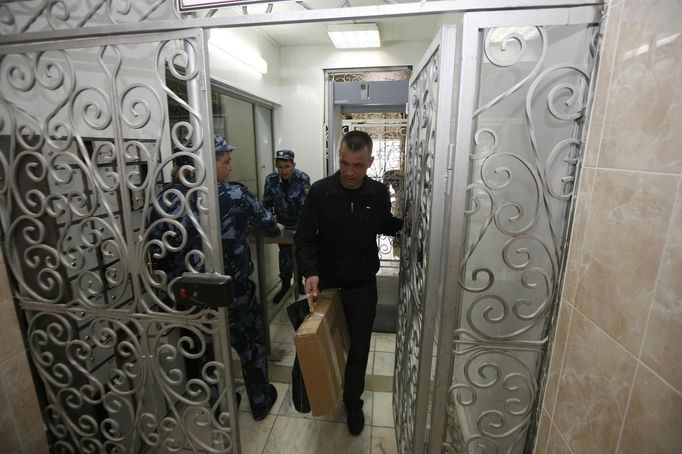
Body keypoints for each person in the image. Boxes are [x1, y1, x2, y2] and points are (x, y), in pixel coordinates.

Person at [149, 134, 282, 422]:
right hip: (234, 294)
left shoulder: (163, 201)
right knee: (250, 347)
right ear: (206, 163)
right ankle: (259, 400)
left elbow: (155, 253)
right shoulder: (233, 195)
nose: (229, 168)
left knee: (207, 353)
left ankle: (221, 406)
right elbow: (269, 226)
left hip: (191, 298)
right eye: (225, 161)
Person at [294, 130, 403, 435]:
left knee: (358, 348)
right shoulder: (319, 192)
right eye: (344, 163)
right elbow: (304, 239)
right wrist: (310, 271)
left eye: (358, 165)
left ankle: (352, 402)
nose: (350, 172)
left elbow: (383, 223)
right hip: (326, 285)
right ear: (338, 157)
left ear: (369, 162)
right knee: (323, 343)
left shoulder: (378, 193)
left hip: (361, 287)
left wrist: (412, 225)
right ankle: (323, 388)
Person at [262, 149, 310, 304]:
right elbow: (267, 205)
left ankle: (300, 282)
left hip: (300, 225)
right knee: (285, 256)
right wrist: (273, 222)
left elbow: (308, 206)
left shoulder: (302, 179)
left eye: (287, 166)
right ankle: (284, 285)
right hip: (282, 226)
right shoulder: (271, 180)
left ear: (293, 165)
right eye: (280, 167)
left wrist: (303, 227)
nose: (283, 171)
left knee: (300, 255)